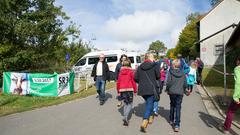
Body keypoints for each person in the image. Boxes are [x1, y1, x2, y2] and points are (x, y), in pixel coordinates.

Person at [134, 53, 160, 133]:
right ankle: (144, 122)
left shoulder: (140, 66)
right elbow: (158, 76)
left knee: (149, 102)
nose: (154, 58)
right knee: (149, 104)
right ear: (150, 58)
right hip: (151, 88)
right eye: (153, 57)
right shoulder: (154, 65)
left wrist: (141, 82)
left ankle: (151, 116)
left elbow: (135, 78)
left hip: (142, 89)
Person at [166, 59, 188, 132]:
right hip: (180, 93)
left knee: (172, 105)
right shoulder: (183, 73)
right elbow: (185, 83)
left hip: (172, 92)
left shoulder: (170, 73)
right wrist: (185, 90)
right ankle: (177, 125)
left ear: (173, 65)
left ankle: (171, 119)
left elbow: (168, 82)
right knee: (178, 107)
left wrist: (167, 89)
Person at [220, 56, 240, 134]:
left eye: (237, 60)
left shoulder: (238, 68)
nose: (236, 62)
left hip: (238, 95)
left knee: (230, 111)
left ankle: (226, 128)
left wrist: (235, 97)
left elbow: (238, 82)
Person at [117, 59, 137, 126]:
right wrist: (135, 90)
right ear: (129, 64)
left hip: (122, 90)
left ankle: (125, 116)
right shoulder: (131, 72)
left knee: (125, 104)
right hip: (129, 89)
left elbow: (118, 82)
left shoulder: (120, 72)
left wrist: (118, 90)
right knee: (130, 104)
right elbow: (133, 81)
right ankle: (125, 117)